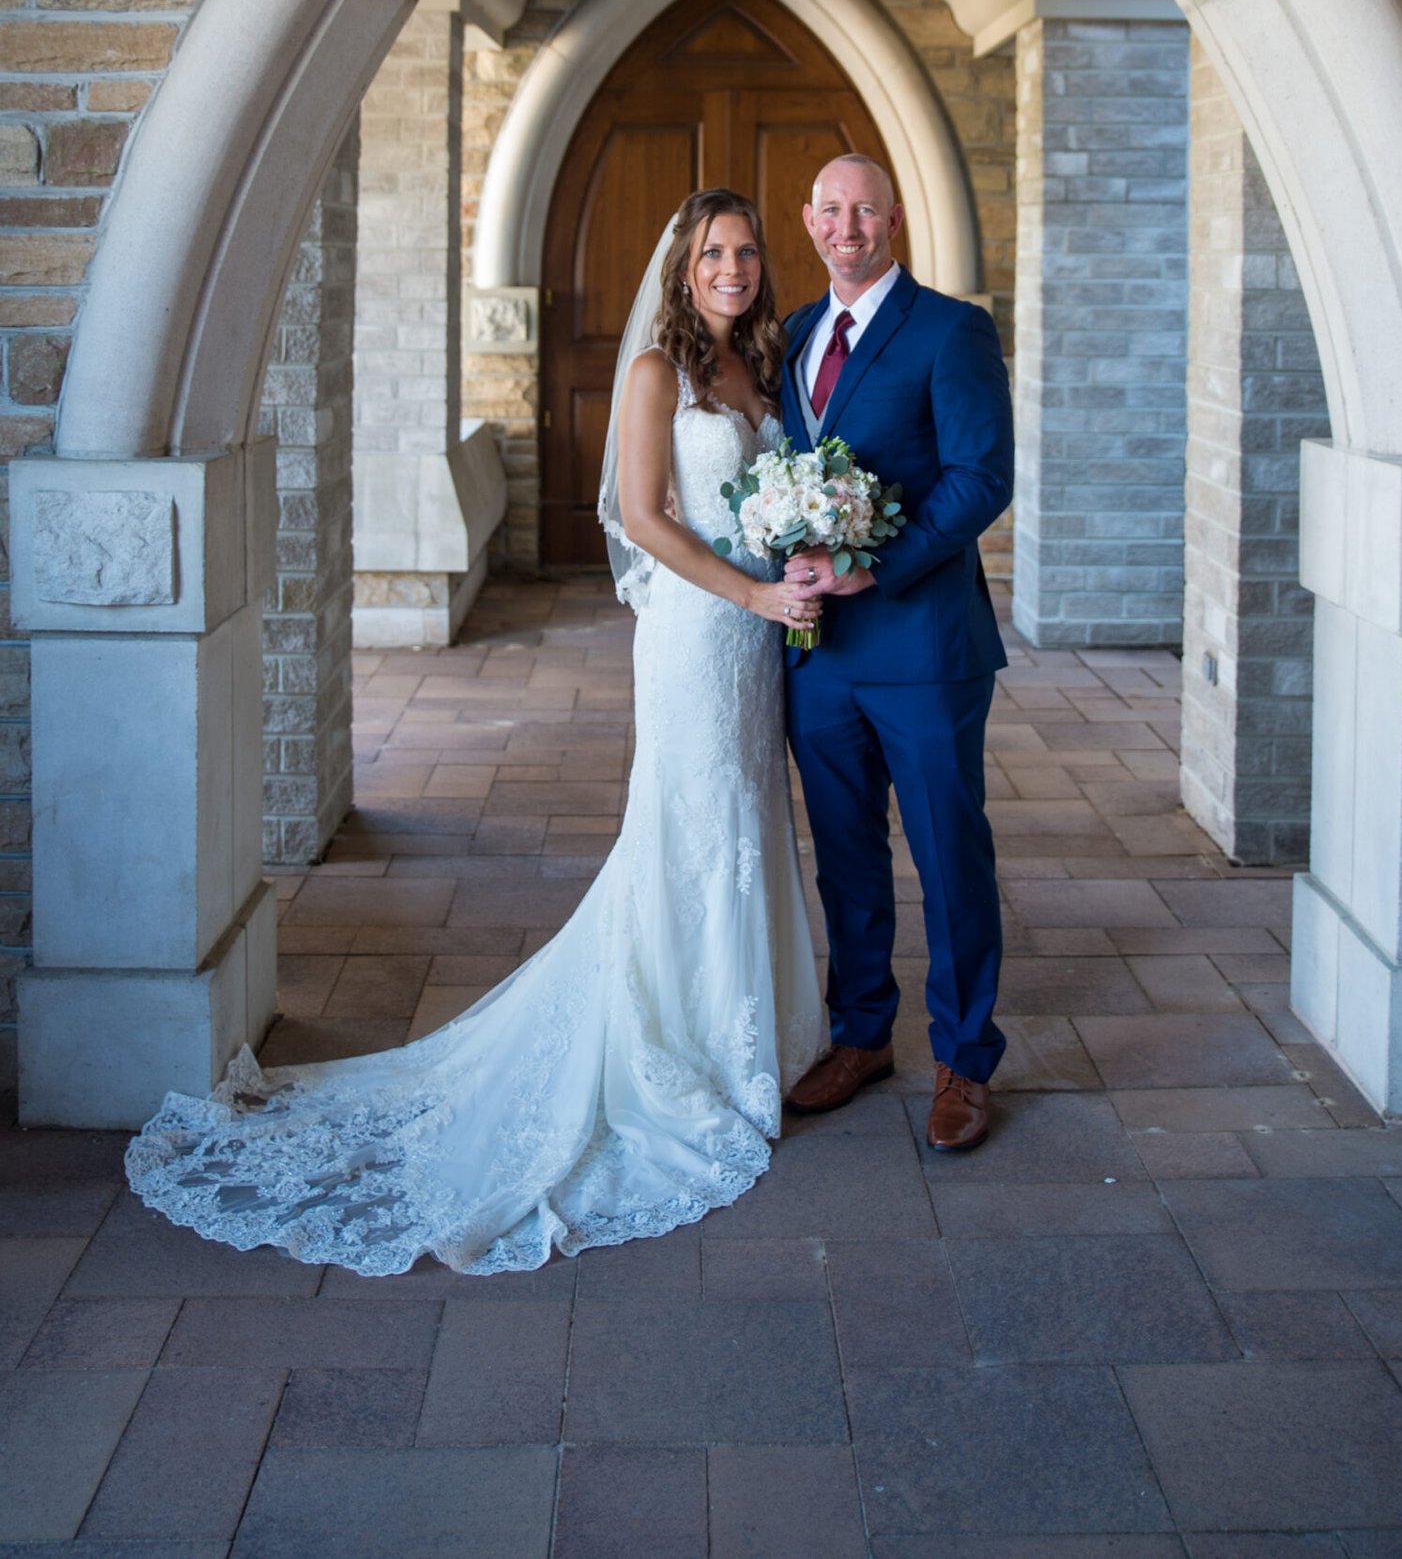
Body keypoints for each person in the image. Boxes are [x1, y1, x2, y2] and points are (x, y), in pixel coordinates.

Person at [123, 190, 825, 1276]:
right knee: (689, 824)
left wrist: (793, 568)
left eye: (745, 251)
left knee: (743, 814)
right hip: (700, 630)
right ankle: (677, 1050)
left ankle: (744, 1033)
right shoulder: (658, 373)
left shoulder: (762, 368)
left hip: (755, 635)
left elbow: (768, 498)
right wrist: (752, 593)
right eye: (712, 254)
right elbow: (645, 518)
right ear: (682, 269)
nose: (732, 268)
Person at [778, 154, 1014, 1153]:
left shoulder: (951, 330)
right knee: (844, 854)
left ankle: (965, 1057)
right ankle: (862, 1033)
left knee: (946, 853)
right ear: (809, 220)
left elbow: (980, 478)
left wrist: (876, 566)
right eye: (831, 210)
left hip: (922, 642)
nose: (848, 227)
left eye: (865, 210)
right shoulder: (795, 332)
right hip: (819, 651)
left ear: (895, 220)